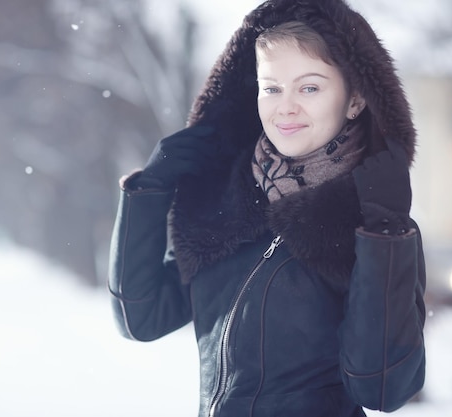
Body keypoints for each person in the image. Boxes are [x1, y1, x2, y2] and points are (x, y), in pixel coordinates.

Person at [108, 0, 426, 416]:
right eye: (271, 87)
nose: (285, 106)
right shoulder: (222, 198)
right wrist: (149, 191)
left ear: (355, 100)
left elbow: (383, 388)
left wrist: (385, 233)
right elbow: (142, 318)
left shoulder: (373, 225)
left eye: (309, 87)